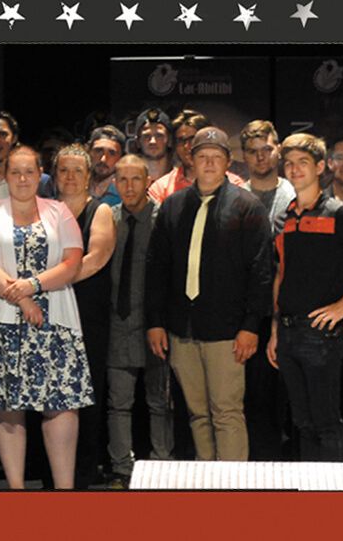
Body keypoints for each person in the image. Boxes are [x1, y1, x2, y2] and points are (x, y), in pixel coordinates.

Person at [0, 146, 91, 489]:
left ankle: (64, 490)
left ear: (39, 174)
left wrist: (32, 286)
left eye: (29, 172)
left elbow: (72, 263)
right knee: (7, 404)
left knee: (60, 403)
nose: (22, 179)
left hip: (53, 321)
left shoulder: (59, 211)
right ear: (5, 175)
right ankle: (16, 490)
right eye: (15, 172)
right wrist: (23, 301)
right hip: (0, 321)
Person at [146, 127, 274, 463]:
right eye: (202, 156)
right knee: (197, 413)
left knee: (226, 412)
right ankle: (207, 483)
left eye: (217, 157)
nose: (209, 163)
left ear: (228, 162)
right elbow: (157, 268)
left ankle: (232, 487)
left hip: (227, 332)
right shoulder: (173, 206)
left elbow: (261, 272)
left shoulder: (247, 206)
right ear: (191, 159)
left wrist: (251, 326)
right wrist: (155, 321)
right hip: (182, 329)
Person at [267, 133, 343, 463]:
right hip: (288, 331)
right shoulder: (285, 217)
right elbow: (281, 274)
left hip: (321, 334)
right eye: (289, 163)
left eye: (303, 163)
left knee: (326, 423)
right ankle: (310, 490)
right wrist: (275, 330)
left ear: (321, 167)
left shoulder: (338, 213)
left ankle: (332, 491)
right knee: (302, 423)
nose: (294, 169)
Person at [102, 155, 174, 483]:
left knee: (160, 401)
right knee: (118, 403)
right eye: (122, 179)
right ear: (114, 183)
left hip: (156, 324)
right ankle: (121, 468)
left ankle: (163, 464)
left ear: (148, 182)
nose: (129, 187)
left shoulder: (164, 219)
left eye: (135, 179)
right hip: (118, 323)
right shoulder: (108, 219)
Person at [55, 144, 118, 483]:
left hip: (86, 313)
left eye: (77, 170)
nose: (70, 177)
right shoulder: (44, 210)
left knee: (86, 391)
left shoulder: (100, 210)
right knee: (52, 392)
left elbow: (97, 258)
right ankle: (52, 472)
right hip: (50, 311)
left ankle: (83, 472)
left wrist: (48, 281)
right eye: (63, 170)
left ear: (88, 176)